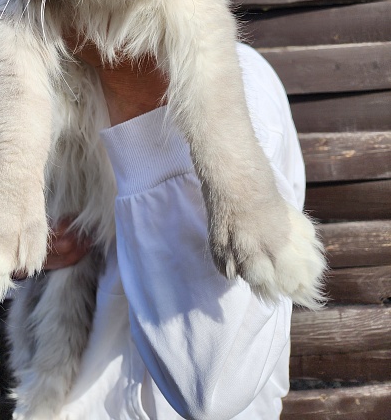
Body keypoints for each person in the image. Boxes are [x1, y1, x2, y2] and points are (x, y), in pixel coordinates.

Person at [21, 42, 305, 420]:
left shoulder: (237, 86)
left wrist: (131, 88)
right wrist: (25, 252)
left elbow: (211, 390)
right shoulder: (54, 90)